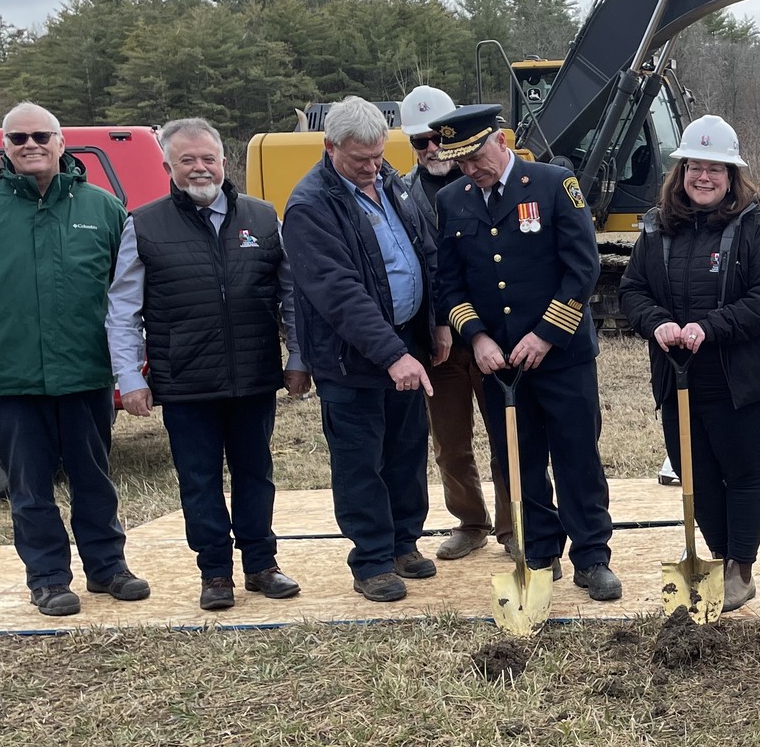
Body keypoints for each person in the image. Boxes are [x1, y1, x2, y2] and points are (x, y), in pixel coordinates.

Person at [0, 103, 151, 616]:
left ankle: (108, 568)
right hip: (11, 375)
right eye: (18, 137)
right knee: (29, 484)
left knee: (93, 476)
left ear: (61, 141)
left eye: (40, 136)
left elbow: (125, 288)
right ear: (4, 146)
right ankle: (48, 578)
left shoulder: (103, 209)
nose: (30, 145)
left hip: (84, 369)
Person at [106, 118, 308, 610]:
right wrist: (130, 377)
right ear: (168, 166)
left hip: (254, 376)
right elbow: (123, 308)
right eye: (187, 160)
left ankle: (262, 565)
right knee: (198, 481)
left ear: (224, 161)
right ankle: (215, 574)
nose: (200, 169)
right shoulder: (145, 224)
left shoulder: (262, 218)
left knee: (255, 475)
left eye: (208, 158)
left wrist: (299, 357)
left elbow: (291, 296)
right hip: (185, 382)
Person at [432, 104, 620, 601]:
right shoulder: (453, 200)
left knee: (577, 455)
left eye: (475, 156)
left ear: (501, 141)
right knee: (519, 458)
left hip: (561, 356)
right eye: (461, 162)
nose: (470, 169)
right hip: (499, 364)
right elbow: (448, 283)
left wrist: (545, 335)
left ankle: (592, 556)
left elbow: (582, 268)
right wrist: (476, 336)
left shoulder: (555, 184)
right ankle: (539, 551)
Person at [620, 115, 760, 610]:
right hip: (678, 379)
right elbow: (632, 290)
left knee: (742, 473)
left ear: (733, 176)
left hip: (743, 382)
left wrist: (708, 327)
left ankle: (742, 566)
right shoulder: (655, 230)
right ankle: (717, 554)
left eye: (716, 170)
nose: (704, 178)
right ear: (682, 172)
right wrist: (656, 323)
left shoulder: (756, 230)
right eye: (696, 167)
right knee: (696, 475)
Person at [283, 95, 445, 602]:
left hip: (407, 344)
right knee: (360, 461)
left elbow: (424, 251)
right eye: (361, 160)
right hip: (350, 358)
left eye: (378, 156)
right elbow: (339, 292)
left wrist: (435, 326)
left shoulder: (392, 182)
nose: (373, 168)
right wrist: (391, 354)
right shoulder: (311, 205)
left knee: (406, 449)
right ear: (330, 147)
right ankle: (371, 560)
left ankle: (403, 542)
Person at [399, 84, 514, 562]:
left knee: (508, 436)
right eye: (418, 143)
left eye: (436, 138)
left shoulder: (485, 186)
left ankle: (514, 525)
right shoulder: (398, 194)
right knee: (450, 443)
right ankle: (471, 522)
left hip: (491, 339)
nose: (430, 149)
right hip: (436, 345)